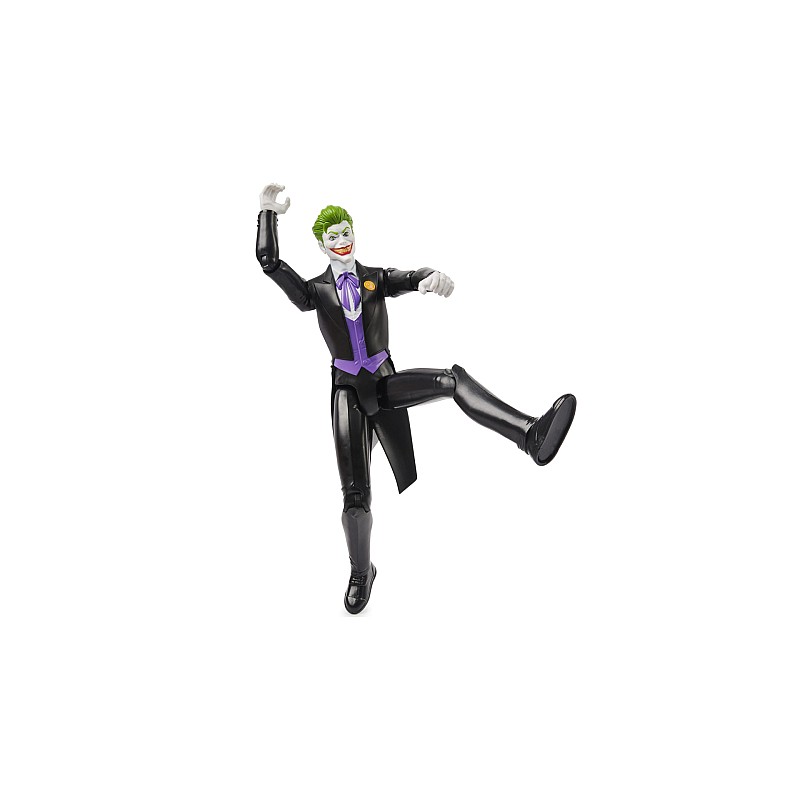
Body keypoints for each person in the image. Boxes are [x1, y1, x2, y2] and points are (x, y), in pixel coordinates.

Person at [255, 183, 576, 614]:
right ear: (321, 245)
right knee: (355, 501)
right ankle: (361, 570)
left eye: (346, 231)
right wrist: (268, 214)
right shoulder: (315, 291)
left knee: (450, 380)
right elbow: (271, 264)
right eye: (332, 236)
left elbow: (408, 277)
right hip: (348, 392)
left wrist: (429, 277)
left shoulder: (374, 277)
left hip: (384, 382)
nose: (342, 240)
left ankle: (529, 434)